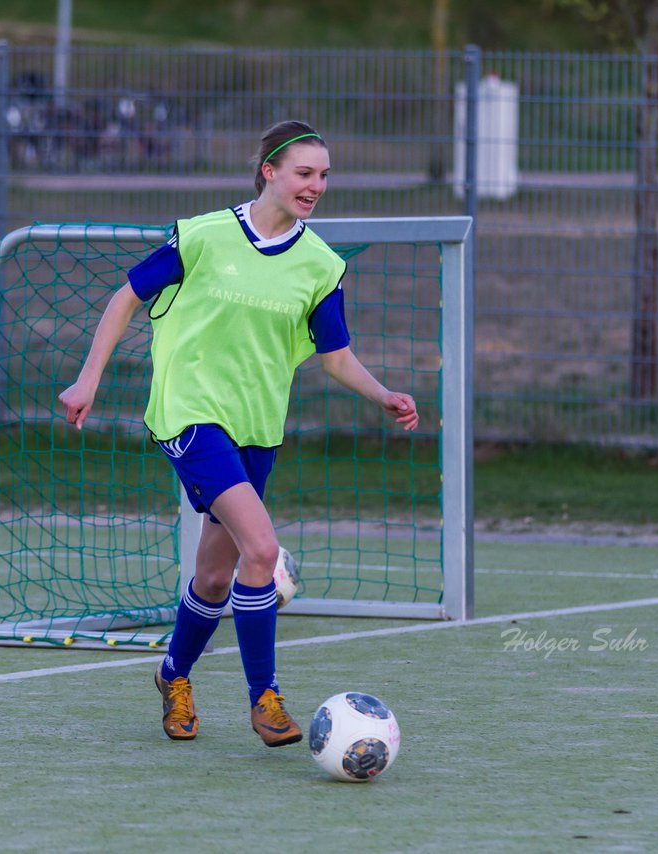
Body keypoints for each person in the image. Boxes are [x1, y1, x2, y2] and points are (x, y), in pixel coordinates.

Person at [58, 119, 419, 747]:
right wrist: (87, 380)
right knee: (262, 550)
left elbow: (336, 356)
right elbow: (124, 299)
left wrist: (383, 392)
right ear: (269, 172)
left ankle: (173, 675)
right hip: (189, 414)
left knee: (216, 578)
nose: (317, 186)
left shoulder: (320, 264)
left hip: (256, 428)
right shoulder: (203, 236)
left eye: (325, 176)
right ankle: (266, 699)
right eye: (305, 173)